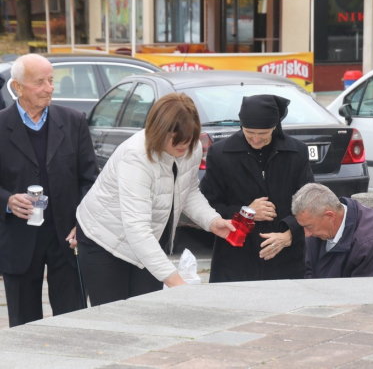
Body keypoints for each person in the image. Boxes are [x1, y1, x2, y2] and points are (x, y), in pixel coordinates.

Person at [76, 93, 234, 307]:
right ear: (159, 131)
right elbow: (136, 228)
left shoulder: (191, 147)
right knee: (113, 318)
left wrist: (212, 220)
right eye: (177, 141)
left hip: (148, 235)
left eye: (189, 140)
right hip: (106, 239)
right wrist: (176, 282)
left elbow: (188, 191)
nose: (184, 147)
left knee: (146, 311)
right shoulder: (136, 157)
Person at [0, 54, 99, 327]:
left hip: (66, 240)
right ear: (18, 87)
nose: (49, 88)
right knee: (23, 325)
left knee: (73, 320)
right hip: (19, 241)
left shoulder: (73, 121)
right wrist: (8, 200)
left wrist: (83, 223)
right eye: (40, 82)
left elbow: (90, 180)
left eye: (51, 80)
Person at [200, 94, 314, 283]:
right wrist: (247, 212)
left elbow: (310, 202)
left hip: (285, 258)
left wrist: (289, 235)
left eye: (262, 134)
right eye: (249, 132)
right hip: (236, 259)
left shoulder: (296, 152)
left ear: (275, 127)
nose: (255, 139)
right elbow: (207, 206)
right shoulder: (221, 154)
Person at [291, 183, 373, 278]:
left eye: (309, 227)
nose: (306, 234)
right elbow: (310, 276)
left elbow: (366, 302)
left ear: (329, 216)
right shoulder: (318, 229)